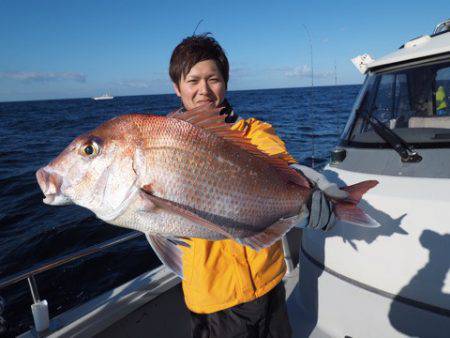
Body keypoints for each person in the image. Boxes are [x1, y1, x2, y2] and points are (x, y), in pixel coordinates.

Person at [168, 34, 344, 338]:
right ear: (177, 88)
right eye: (193, 80)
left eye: (213, 79)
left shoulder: (253, 132)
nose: (203, 90)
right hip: (213, 300)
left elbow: (282, 165)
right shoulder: (168, 145)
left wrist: (315, 184)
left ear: (225, 83)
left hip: (269, 284)